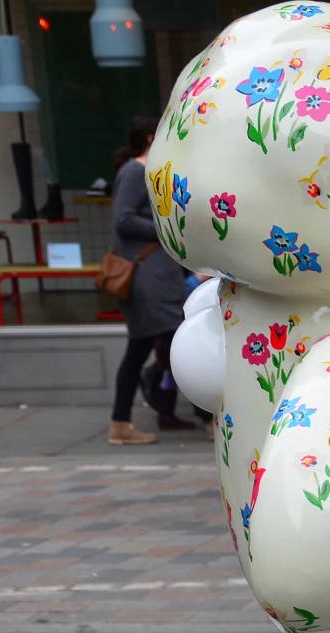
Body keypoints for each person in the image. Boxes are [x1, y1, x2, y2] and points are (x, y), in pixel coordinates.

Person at [106, 114, 193, 445]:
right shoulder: (134, 172)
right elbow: (123, 219)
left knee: (153, 346)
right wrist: (168, 228)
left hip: (158, 275)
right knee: (172, 343)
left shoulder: (151, 172)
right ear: (149, 139)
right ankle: (128, 420)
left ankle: (130, 419)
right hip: (146, 278)